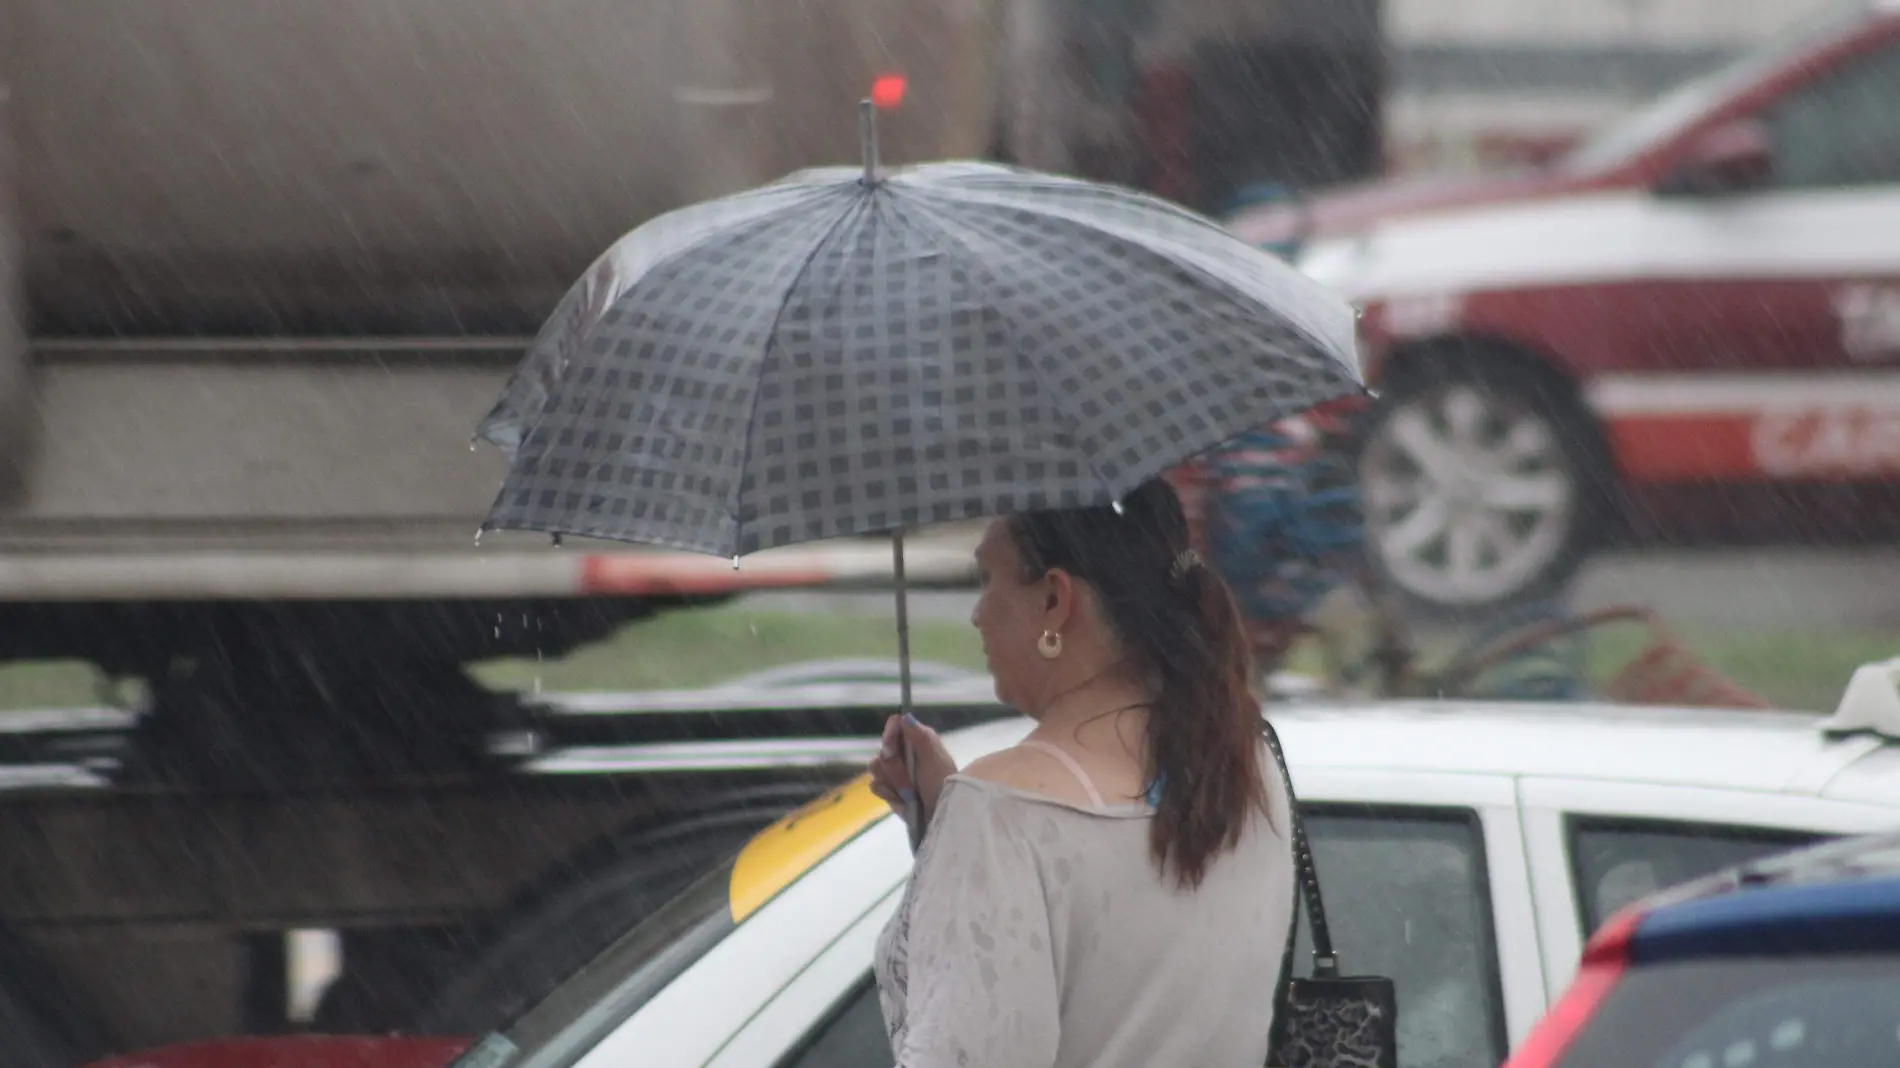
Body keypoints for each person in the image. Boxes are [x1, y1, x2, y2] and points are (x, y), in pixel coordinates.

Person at [867, 477, 1296, 1068]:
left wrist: (964, 834)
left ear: (1054, 601)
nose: (976, 614)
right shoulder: (1248, 767)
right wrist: (949, 832)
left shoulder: (1000, 814)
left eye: (987, 579)